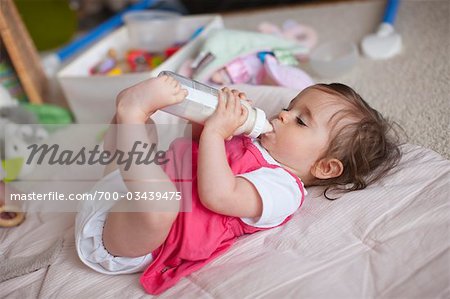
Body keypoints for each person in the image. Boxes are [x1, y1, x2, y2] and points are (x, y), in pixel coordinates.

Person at [75, 75, 401, 294]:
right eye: (289, 108)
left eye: (301, 121)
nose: (283, 116)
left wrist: (218, 132)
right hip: (128, 189)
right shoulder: (254, 140)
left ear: (325, 167)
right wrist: (206, 119)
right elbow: (195, 151)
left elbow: (218, 195)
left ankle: (130, 112)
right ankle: (131, 114)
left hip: (135, 238)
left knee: (162, 204)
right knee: (149, 145)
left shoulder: (284, 190)